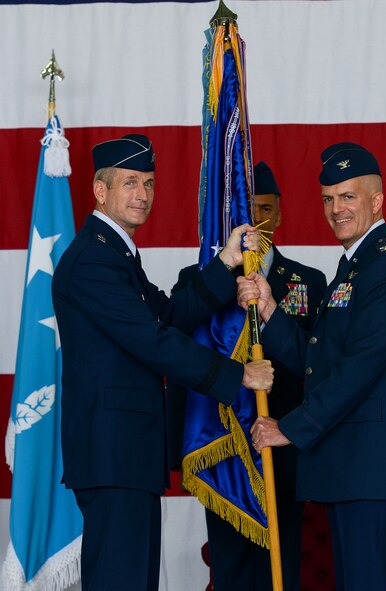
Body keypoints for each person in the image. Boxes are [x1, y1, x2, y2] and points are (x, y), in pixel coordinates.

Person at [51, 134, 274, 591]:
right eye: (130, 183)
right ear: (100, 190)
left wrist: (225, 263)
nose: (142, 195)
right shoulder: (93, 260)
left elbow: (168, 315)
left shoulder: (116, 253)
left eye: (149, 183)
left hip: (127, 455)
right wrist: (237, 376)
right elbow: (152, 340)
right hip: (114, 455)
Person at [238, 143, 386, 591]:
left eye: (348, 196)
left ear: (377, 200)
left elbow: (359, 368)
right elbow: (320, 362)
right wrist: (271, 311)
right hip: (354, 468)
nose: (336, 209)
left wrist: (290, 427)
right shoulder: (355, 268)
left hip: (376, 470)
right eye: (329, 198)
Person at [166, 161, 326, 591]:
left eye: (266, 210)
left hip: (285, 447)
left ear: (280, 213)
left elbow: (318, 366)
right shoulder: (201, 280)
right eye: (248, 212)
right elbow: (177, 348)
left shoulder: (308, 282)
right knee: (231, 570)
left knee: (283, 568)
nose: (257, 222)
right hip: (223, 449)